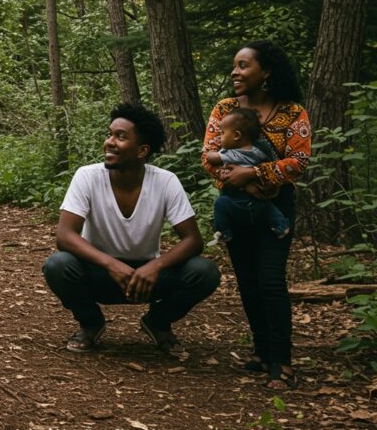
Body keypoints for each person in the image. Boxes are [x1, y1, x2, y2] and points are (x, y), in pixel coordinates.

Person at [43, 103, 220, 358]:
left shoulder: (165, 181)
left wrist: (155, 267)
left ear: (142, 150)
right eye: (110, 134)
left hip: (147, 279)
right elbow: (65, 235)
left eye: (121, 136)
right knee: (57, 265)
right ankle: (91, 324)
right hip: (99, 274)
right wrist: (111, 264)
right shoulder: (88, 176)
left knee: (205, 272)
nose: (110, 142)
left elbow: (193, 240)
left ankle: (157, 323)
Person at [201, 40, 311, 390]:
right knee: (248, 283)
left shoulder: (293, 113)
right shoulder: (225, 109)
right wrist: (242, 182)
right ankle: (262, 352)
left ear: (266, 72)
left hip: (275, 210)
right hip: (235, 208)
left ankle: (283, 362)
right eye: (234, 65)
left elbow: (299, 161)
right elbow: (208, 156)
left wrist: (256, 174)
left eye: (244, 65)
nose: (235, 71)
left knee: (270, 281)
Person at [204, 107, 290, 245]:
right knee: (267, 207)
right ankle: (281, 226)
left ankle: (223, 232)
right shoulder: (258, 151)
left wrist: (213, 153)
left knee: (220, 204)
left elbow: (210, 158)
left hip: (237, 200)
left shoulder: (233, 153)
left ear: (237, 135)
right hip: (257, 197)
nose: (219, 137)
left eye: (222, 133)